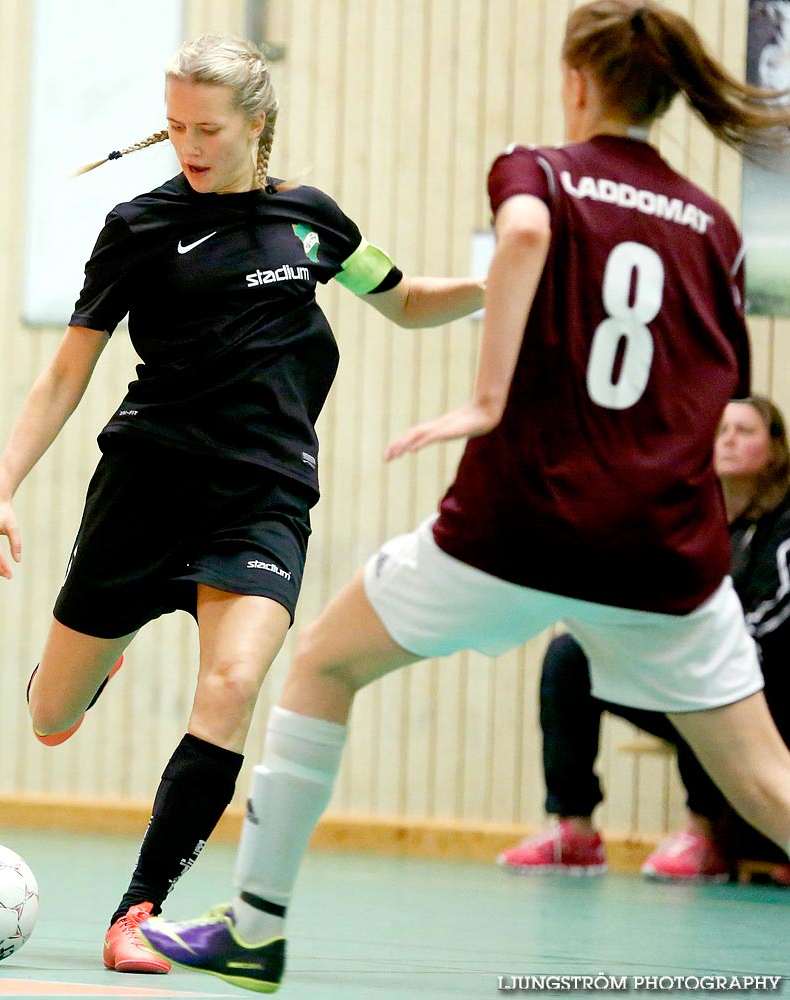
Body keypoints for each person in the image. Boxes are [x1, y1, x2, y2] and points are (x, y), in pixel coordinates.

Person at [135, 2, 790, 993]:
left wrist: (486, 399)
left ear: (578, 81)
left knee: (320, 666)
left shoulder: (535, 168)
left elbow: (523, 231)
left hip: (515, 529)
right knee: (763, 779)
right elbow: (720, 381)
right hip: (661, 547)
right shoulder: (713, 226)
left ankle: (255, 928)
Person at [0, 34, 484, 977]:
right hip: (144, 485)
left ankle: (140, 910)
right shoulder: (138, 225)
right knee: (48, 716)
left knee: (235, 683)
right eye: (172, 127)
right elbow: (66, 373)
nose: (188, 147)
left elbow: (408, 303)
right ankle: (87, 668)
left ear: (257, 125)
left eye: (207, 129)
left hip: (263, 493)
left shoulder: (312, 223)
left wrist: (507, 287)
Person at [498, 395, 790, 882]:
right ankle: (574, 830)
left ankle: (704, 834)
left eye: (745, 431)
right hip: (698, 674)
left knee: (706, 671)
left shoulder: (785, 525)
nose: (729, 440)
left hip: (771, 692)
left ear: (776, 449)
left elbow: (776, 621)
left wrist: (696, 649)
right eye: (720, 431)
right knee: (571, 654)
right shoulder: (691, 514)